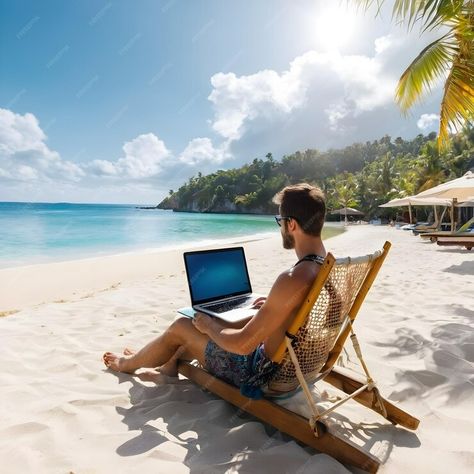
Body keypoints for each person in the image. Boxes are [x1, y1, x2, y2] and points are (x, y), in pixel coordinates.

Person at [103, 183, 327, 395]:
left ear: (292, 225)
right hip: (299, 364)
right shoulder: (326, 267)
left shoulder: (291, 278)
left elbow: (242, 345)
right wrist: (273, 307)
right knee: (215, 321)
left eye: (280, 221)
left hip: (263, 374)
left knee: (184, 325)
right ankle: (165, 365)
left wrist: (209, 326)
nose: (281, 228)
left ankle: (128, 364)